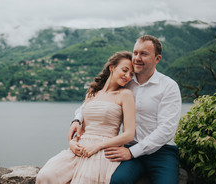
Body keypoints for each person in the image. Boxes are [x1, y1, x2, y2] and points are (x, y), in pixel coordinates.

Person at [68, 35, 182, 184]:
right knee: (116, 181)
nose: (137, 58)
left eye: (144, 54)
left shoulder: (168, 86)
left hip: (161, 151)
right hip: (128, 147)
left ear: (157, 58)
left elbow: (166, 130)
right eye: (135, 53)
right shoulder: (125, 81)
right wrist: (77, 119)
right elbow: (95, 101)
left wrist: (132, 152)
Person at [36, 51, 136, 184]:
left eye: (131, 74)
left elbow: (129, 134)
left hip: (103, 149)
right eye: (125, 70)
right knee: (46, 176)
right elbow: (82, 129)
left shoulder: (125, 95)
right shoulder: (92, 93)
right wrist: (72, 142)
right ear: (112, 67)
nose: (127, 76)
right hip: (81, 148)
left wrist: (98, 146)